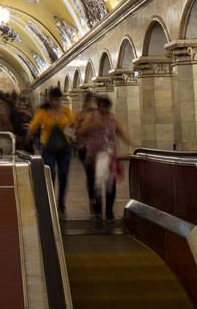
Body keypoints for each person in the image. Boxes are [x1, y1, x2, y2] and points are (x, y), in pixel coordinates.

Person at [77, 95, 132, 223]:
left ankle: (109, 212)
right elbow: (81, 131)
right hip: (95, 156)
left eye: (105, 106)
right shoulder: (92, 117)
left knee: (110, 184)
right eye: (100, 106)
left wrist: (132, 143)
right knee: (97, 184)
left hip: (110, 156)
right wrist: (91, 126)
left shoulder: (113, 119)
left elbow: (121, 133)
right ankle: (97, 210)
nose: (103, 109)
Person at [29, 87, 75, 216]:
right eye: (53, 100)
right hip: (48, 147)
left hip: (65, 146)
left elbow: (72, 123)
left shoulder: (66, 111)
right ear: (48, 100)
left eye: (58, 99)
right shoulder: (42, 112)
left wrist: (66, 125)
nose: (56, 102)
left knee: (64, 174)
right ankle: (50, 200)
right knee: (51, 173)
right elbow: (33, 126)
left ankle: (61, 202)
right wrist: (28, 139)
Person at [74, 93, 97, 217]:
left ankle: (95, 198)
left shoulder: (99, 114)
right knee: (90, 174)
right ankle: (92, 200)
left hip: (98, 149)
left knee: (97, 175)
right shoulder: (80, 115)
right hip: (84, 149)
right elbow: (73, 129)